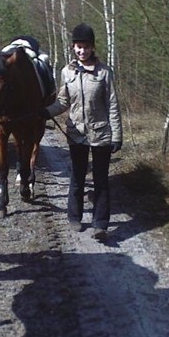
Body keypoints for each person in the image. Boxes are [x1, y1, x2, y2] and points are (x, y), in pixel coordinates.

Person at [40, 23, 122, 241]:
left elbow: (113, 104)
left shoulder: (104, 72)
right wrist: (44, 112)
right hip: (76, 134)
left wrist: (117, 135)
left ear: (92, 48)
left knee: (101, 180)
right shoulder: (67, 72)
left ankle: (100, 224)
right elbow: (63, 102)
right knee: (77, 177)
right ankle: (74, 217)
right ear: (73, 48)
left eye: (85, 47)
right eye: (78, 47)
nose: (82, 51)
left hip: (101, 134)